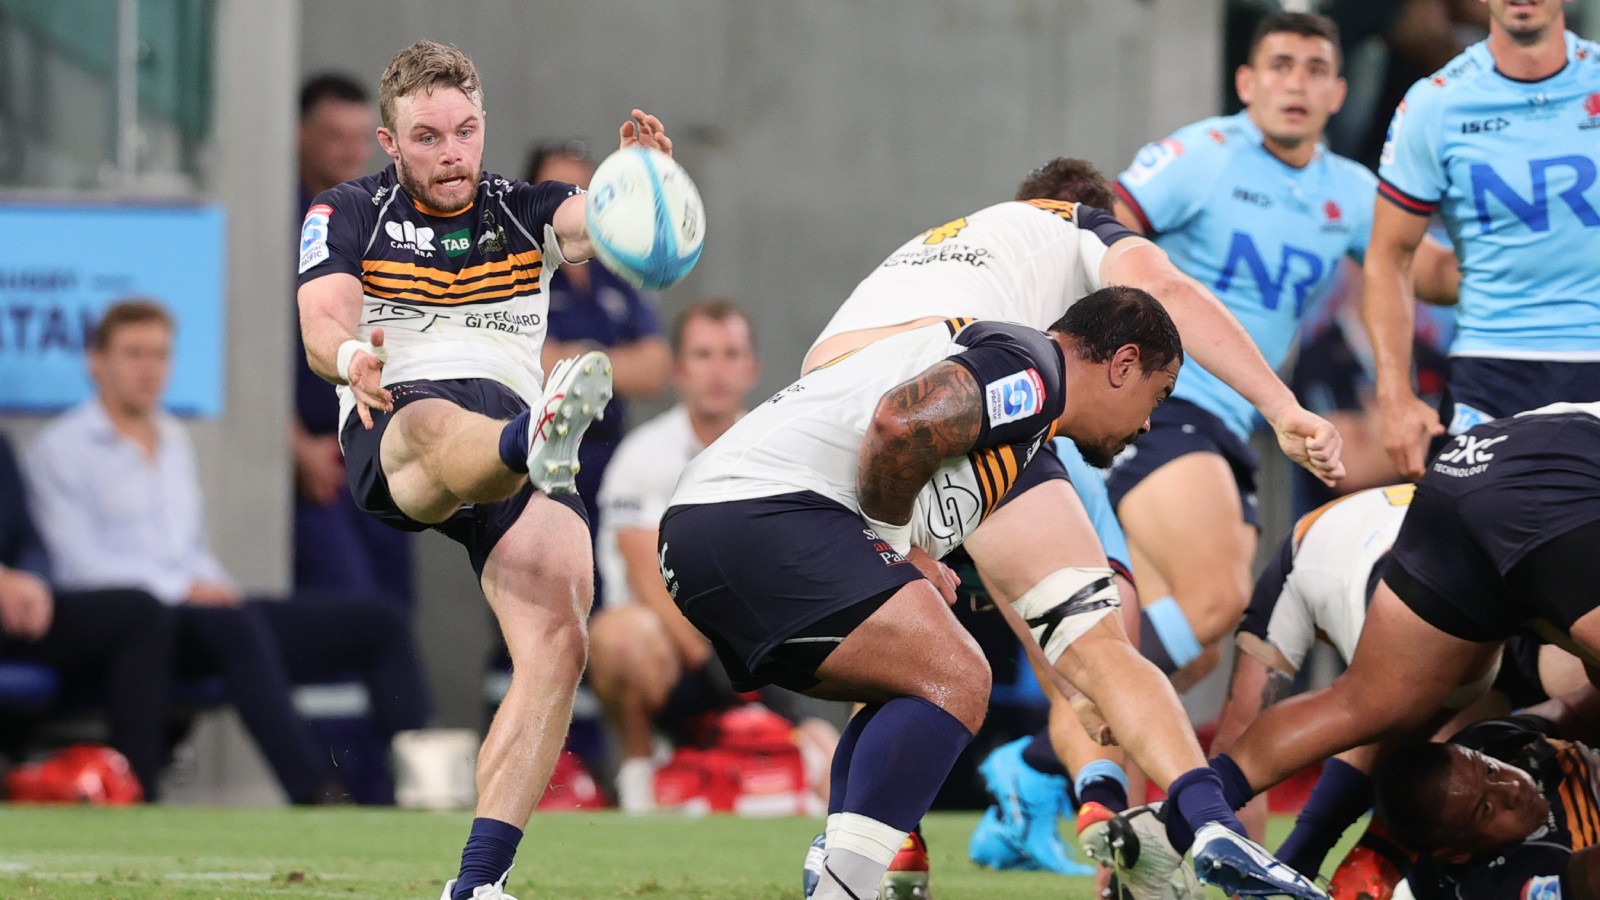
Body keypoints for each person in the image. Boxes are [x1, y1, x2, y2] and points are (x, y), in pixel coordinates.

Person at [669, 288, 1324, 900]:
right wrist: (899, 546)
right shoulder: (1033, 368)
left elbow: (1050, 619)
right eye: (1158, 397)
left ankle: (841, 871)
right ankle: (844, 883)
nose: (1148, 425)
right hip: (756, 516)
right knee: (956, 674)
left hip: (712, 529)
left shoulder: (1018, 434)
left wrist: (1083, 697)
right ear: (1123, 365)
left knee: (916, 672)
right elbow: (903, 422)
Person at [293, 39, 674, 899]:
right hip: (399, 416)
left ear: (483, 128)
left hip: (513, 415)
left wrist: (636, 189)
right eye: (427, 137)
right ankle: (528, 445)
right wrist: (351, 354)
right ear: (391, 144)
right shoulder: (348, 209)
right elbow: (322, 312)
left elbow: (592, 220)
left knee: (560, 634)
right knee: (432, 423)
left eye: (465, 132)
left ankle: (479, 883)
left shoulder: (524, 206)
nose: (451, 152)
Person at [1106, 11, 1459, 684]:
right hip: (1161, 403)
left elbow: (1433, 273)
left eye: (1316, 70)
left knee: (1193, 644)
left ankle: (1068, 770)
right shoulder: (1202, 154)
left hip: (1233, 421)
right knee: (1218, 601)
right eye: (1281, 66)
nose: (1297, 84)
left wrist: (1524, 253)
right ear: (1246, 82)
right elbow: (1099, 231)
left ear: (1338, 94)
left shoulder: (1351, 192)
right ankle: (1061, 724)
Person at [24, 300, 432, 806]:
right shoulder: (62, 449)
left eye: (159, 354)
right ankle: (316, 793)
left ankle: (420, 788)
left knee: (379, 621)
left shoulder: (173, 438)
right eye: (132, 354)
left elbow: (189, 547)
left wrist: (213, 588)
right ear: (96, 361)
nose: (148, 369)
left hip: (208, 614)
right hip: (140, 622)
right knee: (233, 626)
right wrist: (185, 590)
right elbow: (76, 565)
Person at [1197, 402, 1600, 886]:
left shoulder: (1479, 718)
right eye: (1488, 799)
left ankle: (1337, 854)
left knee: (1384, 705)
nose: (1511, 790)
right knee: (1391, 706)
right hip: (1472, 523)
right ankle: (1313, 857)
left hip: (1482, 511)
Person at [588, 298, 837, 813]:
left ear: (753, 369)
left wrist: (785, 696)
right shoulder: (642, 455)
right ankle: (638, 776)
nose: (718, 371)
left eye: (730, 354)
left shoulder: (782, 452)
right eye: (703, 355)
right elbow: (643, 575)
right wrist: (720, 672)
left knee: (837, 769)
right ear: (679, 370)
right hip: (676, 663)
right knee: (618, 636)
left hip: (759, 660)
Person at [1366, 0, 1600, 482]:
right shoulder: (1437, 103)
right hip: (1492, 373)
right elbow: (1390, 256)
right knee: (1474, 550)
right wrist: (1395, 395)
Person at [292, 73, 417, 609]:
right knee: (343, 609)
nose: (350, 149)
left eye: (359, 136)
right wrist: (294, 446)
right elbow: (243, 349)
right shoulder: (275, 221)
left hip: (377, 447)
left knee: (393, 607)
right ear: (299, 135)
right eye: (334, 134)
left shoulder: (381, 216)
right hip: (309, 459)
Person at [0, 432, 174, 799]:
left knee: (140, 613)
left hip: (14, 618)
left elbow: (29, 539)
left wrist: (33, 583)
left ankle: (132, 792)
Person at [524, 141, 670, 534]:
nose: (569, 203)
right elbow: (525, 366)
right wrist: (611, 363)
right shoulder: (515, 274)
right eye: (557, 191)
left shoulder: (615, 270)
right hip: (535, 457)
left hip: (608, 451)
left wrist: (578, 360)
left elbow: (655, 367)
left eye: (581, 192)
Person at [1373, 688, 1600, 900]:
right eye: (1486, 808)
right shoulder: (1499, 885)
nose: (1512, 788)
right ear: (1457, 854)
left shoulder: (1483, 744)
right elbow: (1591, 880)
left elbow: (1575, 712)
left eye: (1491, 770)